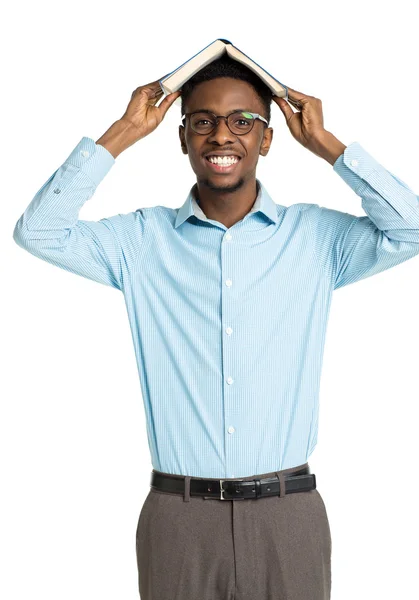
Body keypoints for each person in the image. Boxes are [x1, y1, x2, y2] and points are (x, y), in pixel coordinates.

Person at [13, 54, 419, 600]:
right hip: (179, 520)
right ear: (182, 138)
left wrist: (328, 145)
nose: (221, 135)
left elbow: (411, 229)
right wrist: (124, 132)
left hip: (288, 515)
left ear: (267, 140)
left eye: (242, 121)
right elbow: (39, 231)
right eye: (202, 121)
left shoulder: (317, 238)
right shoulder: (140, 242)